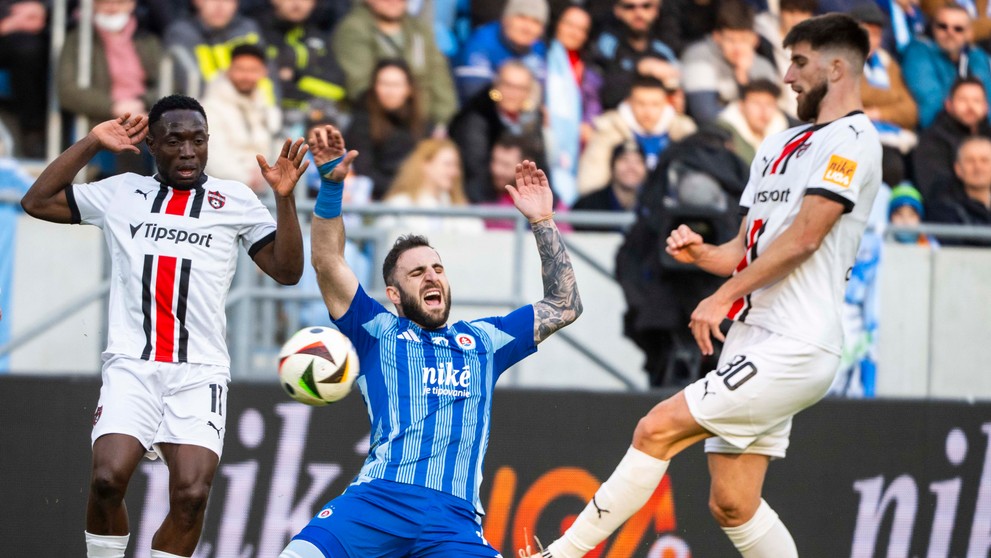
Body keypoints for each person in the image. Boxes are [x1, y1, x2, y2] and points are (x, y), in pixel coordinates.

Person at [523, 13, 881, 558]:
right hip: (754, 336)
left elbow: (805, 238)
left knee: (656, 427)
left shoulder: (854, 140)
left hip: (798, 341)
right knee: (733, 502)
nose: (787, 77)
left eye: (800, 62)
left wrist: (721, 296)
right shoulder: (778, 144)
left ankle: (560, 555)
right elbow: (747, 248)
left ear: (837, 67)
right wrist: (703, 256)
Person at [19, 95, 306, 558]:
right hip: (133, 363)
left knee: (191, 495)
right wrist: (93, 141)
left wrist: (285, 199)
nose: (189, 151)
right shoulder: (121, 192)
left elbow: (288, 271)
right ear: (150, 144)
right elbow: (36, 200)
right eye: (174, 141)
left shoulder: (234, 200)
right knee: (108, 479)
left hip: (200, 371)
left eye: (198, 140)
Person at [279, 125, 582, 558]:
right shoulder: (376, 331)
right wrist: (330, 186)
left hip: (453, 519)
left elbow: (565, 303)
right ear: (394, 294)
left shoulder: (484, 340)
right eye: (417, 273)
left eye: (437, 269)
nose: (432, 276)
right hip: (378, 501)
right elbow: (328, 262)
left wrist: (542, 222)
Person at [58, 0, 161, 176]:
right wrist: (114, 107)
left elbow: (168, 83)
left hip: (145, 114)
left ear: (131, 5)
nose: (113, 8)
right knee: (128, 142)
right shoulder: (78, 40)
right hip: (101, 118)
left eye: (120, 2)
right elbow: (67, 90)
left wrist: (142, 102)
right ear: (93, 5)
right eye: (105, 2)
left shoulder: (148, 41)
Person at [333, 0, 457, 128]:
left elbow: (440, 81)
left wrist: (443, 123)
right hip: (377, 122)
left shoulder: (419, 29)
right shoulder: (354, 29)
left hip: (424, 120)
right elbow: (359, 87)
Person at [577, 75, 696, 195]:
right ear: (629, 102)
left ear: (665, 103)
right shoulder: (609, 131)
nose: (647, 111)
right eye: (641, 104)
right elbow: (591, 181)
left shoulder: (684, 132)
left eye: (655, 104)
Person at [449, 60, 548, 204]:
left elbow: (540, 163)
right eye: (508, 85)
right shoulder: (476, 117)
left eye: (521, 88)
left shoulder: (532, 118)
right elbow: (475, 173)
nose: (513, 93)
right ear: (496, 85)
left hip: (520, 198)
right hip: (483, 202)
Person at [680, 0, 781, 125]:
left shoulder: (763, 66)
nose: (737, 48)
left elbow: (772, 115)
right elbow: (705, 116)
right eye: (731, 40)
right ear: (716, 37)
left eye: (744, 40)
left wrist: (743, 80)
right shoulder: (698, 56)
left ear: (755, 40)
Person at [201, 43, 282, 195]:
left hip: (267, 191)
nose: (246, 76)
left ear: (264, 72)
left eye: (253, 70)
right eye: (240, 69)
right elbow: (213, 158)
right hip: (223, 193)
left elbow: (278, 149)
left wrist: (267, 177)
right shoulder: (209, 108)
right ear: (229, 71)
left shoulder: (269, 110)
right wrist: (248, 180)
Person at [344, 59, 428, 201]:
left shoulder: (421, 123)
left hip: (415, 196)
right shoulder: (361, 121)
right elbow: (363, 169)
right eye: (384, 84)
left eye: (396, 85)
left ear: (409, 89)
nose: (390, 91)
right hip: (377, 199)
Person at [901, 4, 991, 129]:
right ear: (933, 28)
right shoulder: (918, 52)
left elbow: (987, 99)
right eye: (942, 26)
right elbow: (931, 104)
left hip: (979, 132)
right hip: (939, 132)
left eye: (958, 29)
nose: (950, 32)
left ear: (969, 34)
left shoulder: (977, 56)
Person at [378, 138, 484, 234]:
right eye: (447, 164)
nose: (454, 172)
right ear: (425, 165)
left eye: (456, 166)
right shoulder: (400, 204)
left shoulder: (460, 207)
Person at [589, 0, 680, 111]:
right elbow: (606, 95)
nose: (638, 13)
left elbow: (676, 88)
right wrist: (639, 68)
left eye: (646, 6)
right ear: (617, 11)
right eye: (629, 7)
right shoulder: (606, 46)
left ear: (656, 10)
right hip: (617, 121)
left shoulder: (664, 51)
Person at [913, 77, 991, 203]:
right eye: (963, 100)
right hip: (954, 216)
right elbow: (934, 191)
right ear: (949, 105)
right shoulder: (933, 140)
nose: (970, 106)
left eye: (976, 101)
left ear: (986, 107)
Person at [455, 0, 549, 103]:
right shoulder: (481, 43)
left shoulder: (538, 48)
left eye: (536, 22)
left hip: (518, 113)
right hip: (478, 112)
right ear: (506, 19)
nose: (527, 27)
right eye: (521, 17)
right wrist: (503, 101)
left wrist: (526, 106)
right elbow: (477, 93)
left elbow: (540, 94)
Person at [927, 135, 991, 245]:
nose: (978, 167)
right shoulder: (943, 207)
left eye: (984, 161)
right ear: (958, 169)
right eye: (970, 161)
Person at [571, 141, 647, 232]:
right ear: (612, 166)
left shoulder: (652, 207)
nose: (631, 167)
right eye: (624, 160)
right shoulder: (588, 205)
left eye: (638, 161)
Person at [717, 79, 790, 166]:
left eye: (769, 104)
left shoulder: (784, 133)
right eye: (756, 103)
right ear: (741, 106)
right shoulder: (722, 135)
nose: (763, 110)